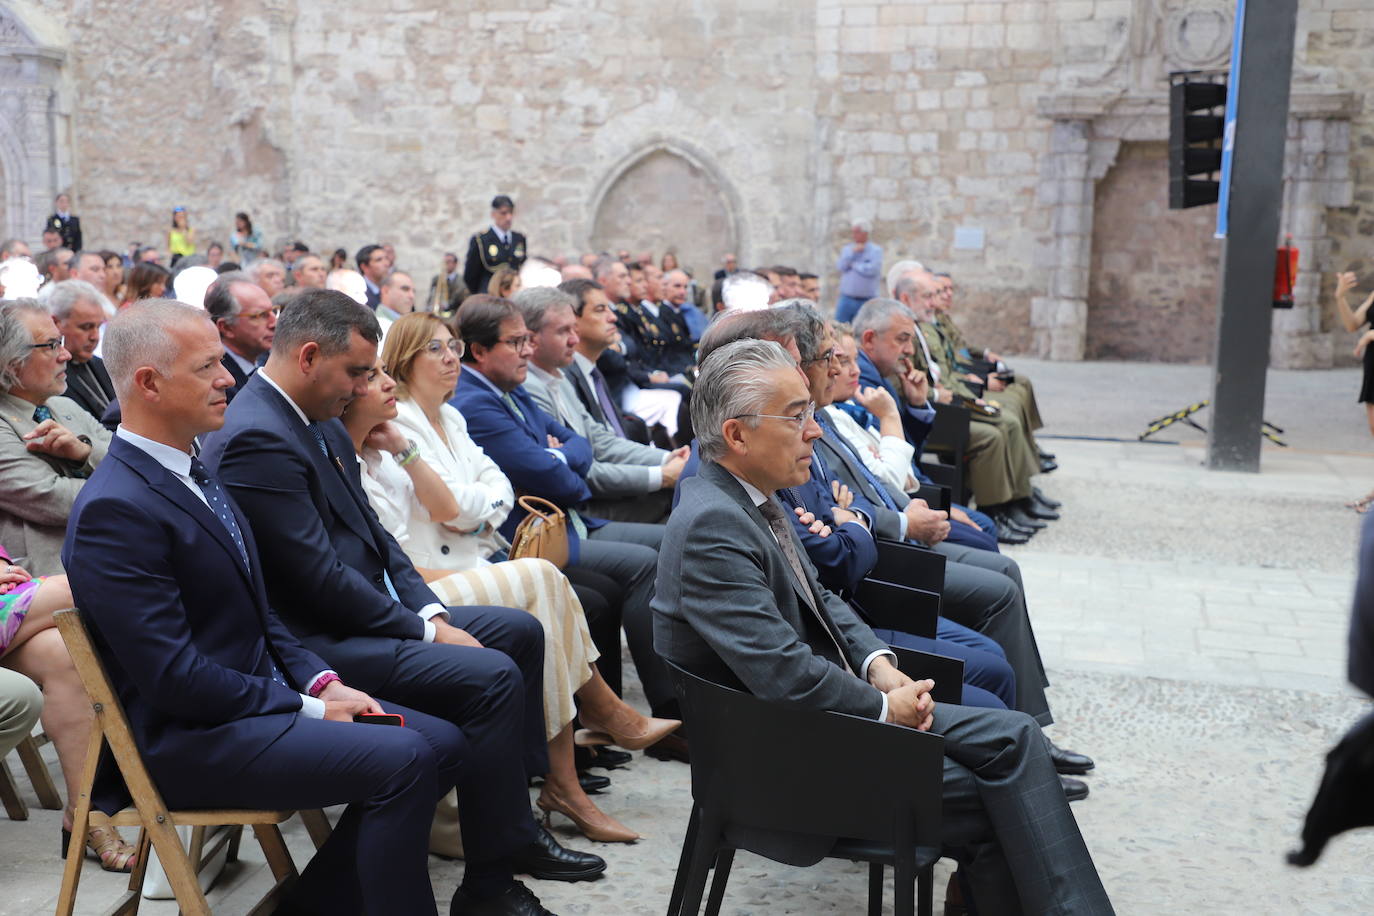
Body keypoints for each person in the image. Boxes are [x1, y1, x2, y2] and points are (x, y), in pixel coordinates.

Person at [655, 338, 1114, 915]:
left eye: (812, 414)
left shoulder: (745, 498)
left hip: (804, 726)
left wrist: (881, 667)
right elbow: (785, 674)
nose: (815, 431)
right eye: (797, 417)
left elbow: (820, 597)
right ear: (737, 434)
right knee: (1009, 793)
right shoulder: (713, 526)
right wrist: (881, 710)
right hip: (777, 762)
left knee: (1019, 736)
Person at [65, 299, 469, 913]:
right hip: (192, 740)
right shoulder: (114, 509)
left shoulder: (191, 464)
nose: (230, 377)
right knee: (407, 758)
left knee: (442, 742)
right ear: (148, 383)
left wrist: (322, 681)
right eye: (207, 368)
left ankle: (315, 903)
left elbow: (259, 611)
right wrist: (305, 707)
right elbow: (173, 680)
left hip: (247, 706)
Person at [199, 288, 602, 903]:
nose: (366, 385)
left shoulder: (315, 417)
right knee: (490, 676)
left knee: (519, 633)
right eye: (358, 371)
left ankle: (508, 835)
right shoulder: (259, 434)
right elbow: (316, 579)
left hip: (353, 618)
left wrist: (432, 612)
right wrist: (424, 631)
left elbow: (378, 543)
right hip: (311, 643)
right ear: (308, 357)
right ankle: (488, 886)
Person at [354, 315, 677, 839]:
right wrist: (470, 505)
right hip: (428, 579)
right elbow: (447, 511)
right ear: (404, 361)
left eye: (453, 346)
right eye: (435, 348)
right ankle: (593, 729)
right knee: (544, 579)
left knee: (547, 588)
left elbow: (499, 492)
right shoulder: (397, 425)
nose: (450, 357)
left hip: (469, 558)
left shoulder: (453, 419)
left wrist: (472, 507)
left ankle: (573, 767)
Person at [449, 295, 680, 741]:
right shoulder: (477, 401)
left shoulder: (509, 388)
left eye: (526, 341)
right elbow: (548, 476)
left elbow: (581, 445)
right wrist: (561, 462)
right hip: (531, 534)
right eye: (516, 342)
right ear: (479, 350)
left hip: (563, 521)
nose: (526, 351)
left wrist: (560, 458)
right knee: (633, 572)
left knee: (661, 549)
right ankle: (650, 712)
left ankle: (612, 722)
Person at [517, 287, 685, 523]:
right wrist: (663, 475)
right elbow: (580, 470)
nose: (574, 339)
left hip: (592, 493)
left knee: (683, 493)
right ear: (531, 339)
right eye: (564, 331)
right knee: (677, 508)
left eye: (573, 329)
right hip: (574, 511)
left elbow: (598, 441)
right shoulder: (531, 386)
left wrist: (667, 459)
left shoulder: (557, 375)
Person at [0, 299, 112, 576]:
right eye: (51, 345)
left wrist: (84, 453)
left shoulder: (64, 405)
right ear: (12, 363)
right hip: (53, 578)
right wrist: (134, 488)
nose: (65, 355)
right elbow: (55, 499)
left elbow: (125, 457)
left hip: (106, 557)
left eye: (61, 342)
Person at [47, 280, 116, 421]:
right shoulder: (47, 376)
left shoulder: (102, 365)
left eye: (98, 326)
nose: (95, 337)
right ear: (56, 323)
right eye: (86, 327)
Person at [203, 271, 276, 402]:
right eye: (261, 315)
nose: (274, 323)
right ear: (226, 327)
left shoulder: (268, 362)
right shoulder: (218, 383)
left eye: (273, 312)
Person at [465, 195, 527, 295]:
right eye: (503, 213)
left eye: (511, 213)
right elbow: (471, 275)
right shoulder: (482, 240)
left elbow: (522, 266)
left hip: (514, 293)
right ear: (493, 214)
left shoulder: (519, 238)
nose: (508, 217)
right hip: (489, 294)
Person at [835, 219, 883, 322]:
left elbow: (873, 269)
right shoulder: (848, 249)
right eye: (853, 232)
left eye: (857, 232)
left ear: (865, 233)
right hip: (847, 299)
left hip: (867, 300)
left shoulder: (876, 250)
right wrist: (852, 254)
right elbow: (841, 266)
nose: (854, 235)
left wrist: (855, 265)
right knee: (839, 326)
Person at [356, 243, 388, 308]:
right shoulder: (359, 295)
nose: (386, 263)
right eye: (379, 260)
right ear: (364, 266)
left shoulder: (387, 290)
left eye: (386, 258)